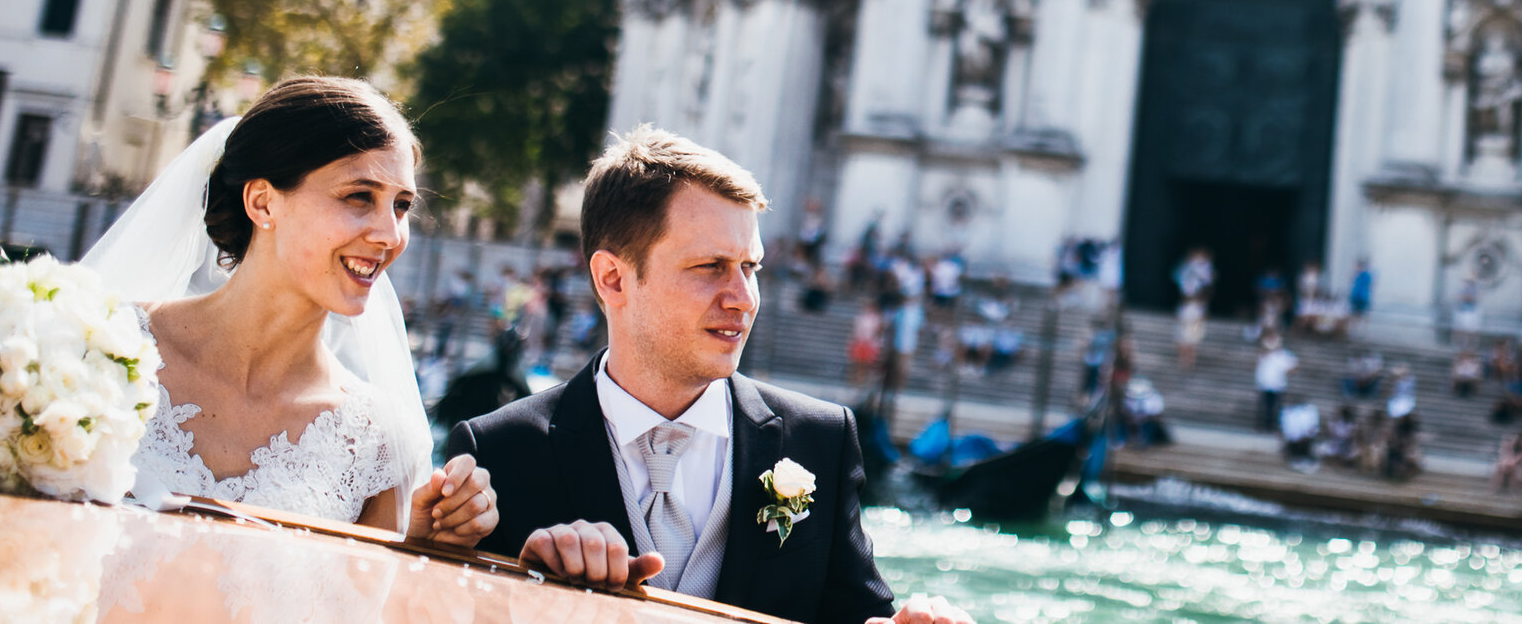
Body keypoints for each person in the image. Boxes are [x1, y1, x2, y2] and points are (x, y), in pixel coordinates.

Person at [455, 126, 971, 624]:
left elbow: (857, 618)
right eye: (710, 267)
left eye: (751, 267)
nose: (743, 299)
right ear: (612, 278)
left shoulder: (822, 440)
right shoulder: (498, 451)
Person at [80, 76, 497, 541]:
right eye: (359, 196)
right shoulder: (98, 348)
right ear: (262, 202)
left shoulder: (379, 442)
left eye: (401, 206)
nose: (390, 235)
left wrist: (420, 541)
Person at [1254, 334, 1298, 432]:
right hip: (1265, 385)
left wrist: (1287, 373)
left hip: (1278, 386)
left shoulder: (1285, 355)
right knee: (1264, 407)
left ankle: (1272, 427)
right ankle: (1261, 426)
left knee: (1275, 408)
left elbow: (1294, 367)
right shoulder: (1265, 354)